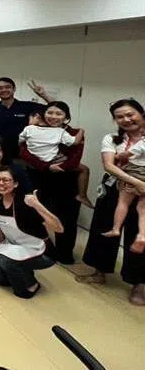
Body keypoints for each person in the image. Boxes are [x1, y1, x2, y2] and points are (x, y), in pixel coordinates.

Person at [77, 99, 145, 305]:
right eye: (120, 117)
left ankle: (138, 283)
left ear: (141, 113)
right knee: (104, 228)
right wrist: (135, 182)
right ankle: (99, 271)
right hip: (115, 188)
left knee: (139, 236)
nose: (126, 119)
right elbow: (109, 165)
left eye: (130, 114)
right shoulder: (112, 139)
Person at [19, 101, 85, 263]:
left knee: (66, 217)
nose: (53, 117)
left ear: (66, 117)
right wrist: (47, 166)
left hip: (65, 179)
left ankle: (65, 253)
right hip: (38, 176)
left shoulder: (74, 133)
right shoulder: (33, 130)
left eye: (59, 114)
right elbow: (24, 152)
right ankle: (42, 248)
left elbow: (75, 159)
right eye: (50, 113)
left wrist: (61, 166)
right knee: (34, 213)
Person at [0, 167, 63, 299]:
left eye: (6, 180)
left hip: (41, 252)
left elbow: (59, 228)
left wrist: (37, 205)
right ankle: (22, 269)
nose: (1, 183)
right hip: (16, 247)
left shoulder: (26, 202)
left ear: (15, 183)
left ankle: (31, 286)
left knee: (4, 260)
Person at [0, 77, 52, 159]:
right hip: (1, 155)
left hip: (26, 155)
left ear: (14, 89)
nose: (4, 90)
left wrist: (43, 95)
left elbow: (56, 108)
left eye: (7, 87)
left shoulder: (27, 106)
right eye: (0, 88)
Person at [101, 133, 145, 252]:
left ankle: (116, 228)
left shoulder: (142, 142)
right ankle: (142, 234)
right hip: (133, 177)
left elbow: (126, 154)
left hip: (134, 172)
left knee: (123, 202)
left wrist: (120, 156)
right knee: (142, 209)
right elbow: (108, 166)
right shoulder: (112, 137)